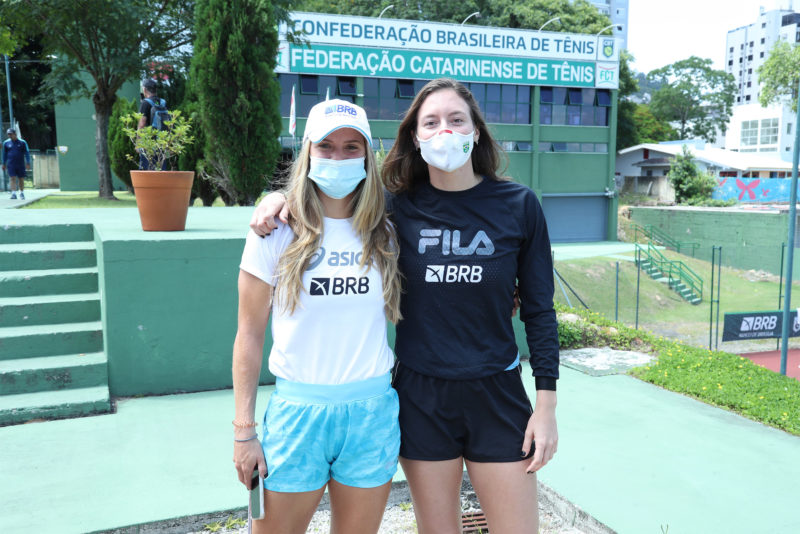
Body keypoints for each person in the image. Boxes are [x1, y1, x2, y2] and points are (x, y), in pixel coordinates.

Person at [250, 78, 559, 534]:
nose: (444, 132)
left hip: (497, 392)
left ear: (476, 131)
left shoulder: (519, 205)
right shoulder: (393, 210)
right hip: (421, 397)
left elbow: (539, 310)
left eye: (457, 120)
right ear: (415, 137)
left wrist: (546, 406)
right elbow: (329, 203)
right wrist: (274, 198)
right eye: (430, 122)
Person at [232, 99, 403, 534]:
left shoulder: (387, 229)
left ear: (368, 153)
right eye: (326, 147)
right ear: (307, 152)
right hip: (298, 414)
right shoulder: (275, 230)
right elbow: (248, 335)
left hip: (371, 414)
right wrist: (244, 431)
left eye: (351, 147)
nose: (339, 157)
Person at [137, 79, 167, 170]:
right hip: (162, 141)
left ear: (145, 90)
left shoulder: (145, 103)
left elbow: (142, 124)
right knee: (161, 169)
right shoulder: (162, 102)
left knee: (146, 170)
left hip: (148, 143)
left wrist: (138, 143)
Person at [2, 127, 31, 200]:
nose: (9, 136)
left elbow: (27, 153)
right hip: (11, 164)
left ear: (15, 134)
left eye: (10, 134)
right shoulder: (6, 143)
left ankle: (21, 193)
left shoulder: (22, 142)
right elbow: (4, 154)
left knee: (21, 178)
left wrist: (28, 162)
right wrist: (4, 163)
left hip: (20, 164)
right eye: (8, 134)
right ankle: (13, 193)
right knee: (12, 178)